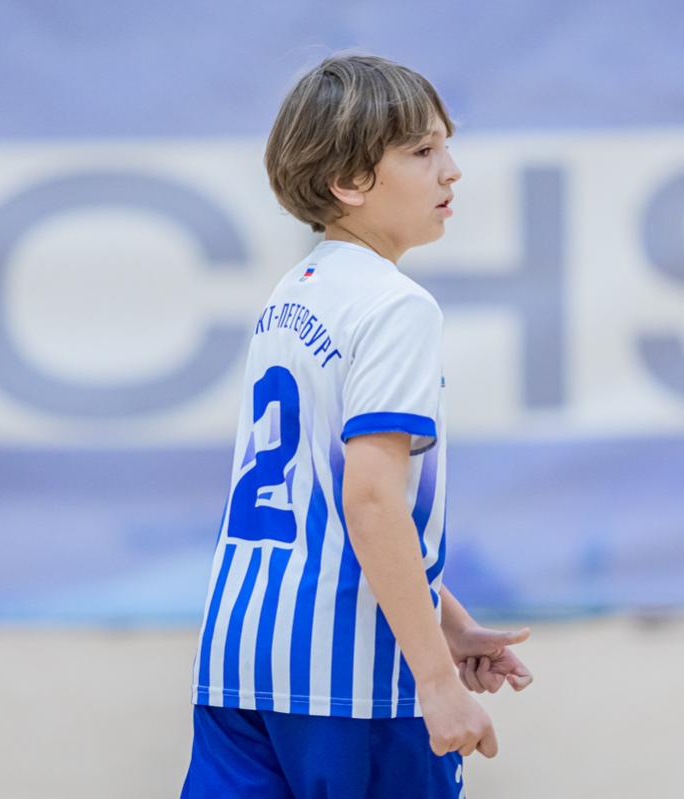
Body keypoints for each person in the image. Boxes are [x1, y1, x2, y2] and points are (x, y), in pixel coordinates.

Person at [182, 52, 533, 799]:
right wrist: (435, 679)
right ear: (348, 180)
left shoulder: (291, 293)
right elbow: (370, 501)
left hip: (238, 655)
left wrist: (448, 621)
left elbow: (320, 497)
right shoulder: (395, 306)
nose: (451, 171)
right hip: (349, 677)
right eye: (422, 151)